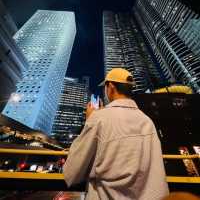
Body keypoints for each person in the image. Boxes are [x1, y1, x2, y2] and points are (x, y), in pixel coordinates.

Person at [63, 68, 169, 199]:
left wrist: (90, 121)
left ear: (111, 87)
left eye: (105, 87)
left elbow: (72, 173)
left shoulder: (98, 118)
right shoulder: (147, 121)